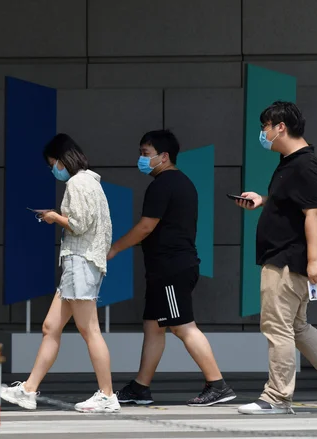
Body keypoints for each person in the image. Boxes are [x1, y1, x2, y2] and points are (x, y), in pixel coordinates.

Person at [235, 101, 317, 415]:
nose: (262, 133)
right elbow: (293, 205)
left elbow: (314, 215)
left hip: (287, 260)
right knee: (296, 327)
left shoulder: (305, 166)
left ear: (280, 126)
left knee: (277, 327)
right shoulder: (290, 162)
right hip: (287, 257)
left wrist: (313, 260)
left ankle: (277, 397)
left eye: (264, 127)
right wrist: (263, 201)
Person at [108, 129, 236, 407]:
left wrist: (115, 248)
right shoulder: (181, 182)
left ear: (163, 157)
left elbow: (145, 227)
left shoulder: (163, 184)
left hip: (170, 269)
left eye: (145, 154)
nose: (141, 159)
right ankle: (140, 387)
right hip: (165, 268)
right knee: (154, 327)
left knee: (181, 326)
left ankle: (217, 385)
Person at [1, 133, 119, 413]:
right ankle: (29, 389)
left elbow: (78, 224)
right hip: (80, 265)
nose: (53, 168)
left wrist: (54, 217)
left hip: (80, 263)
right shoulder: (91, 181)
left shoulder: (77, 183)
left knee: (89, 330)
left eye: (53, 163)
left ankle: (107, 395)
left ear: (62, 160)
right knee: (50, 328)